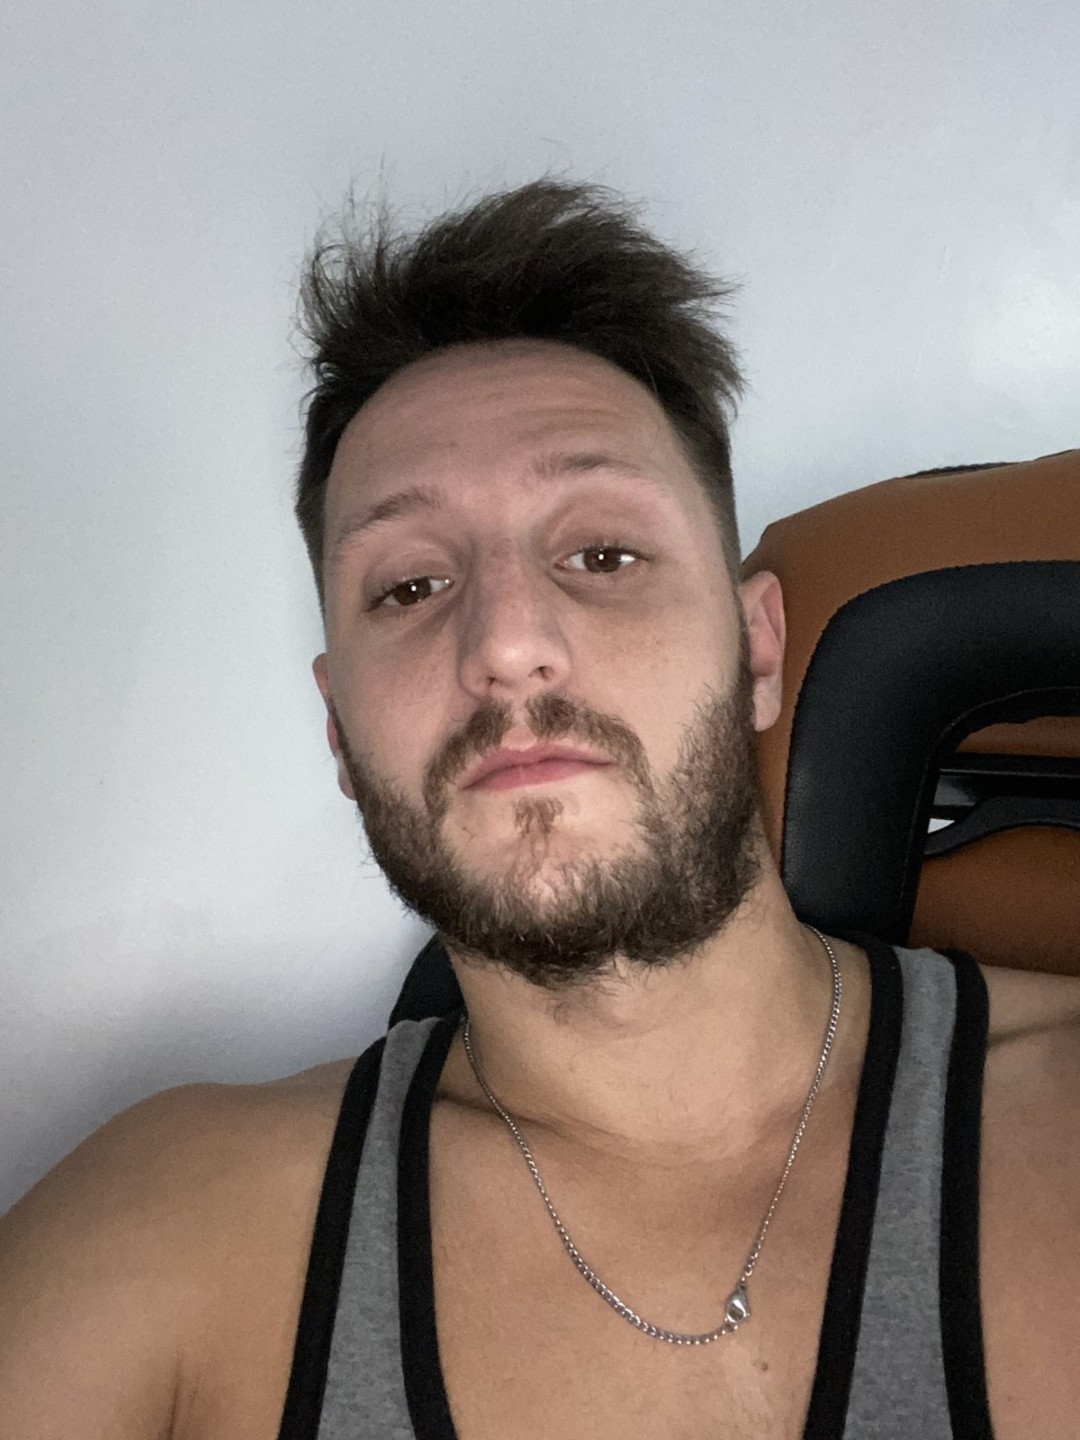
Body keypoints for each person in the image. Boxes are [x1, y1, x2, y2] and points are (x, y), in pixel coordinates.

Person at [1, 179, 1077, 1440]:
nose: (507, 644)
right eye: (409, 586)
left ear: (756, 650)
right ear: (341, 728)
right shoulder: (176, 1228)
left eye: (603, 555)